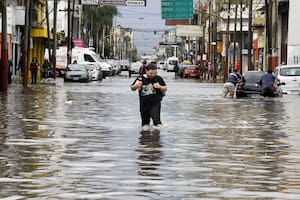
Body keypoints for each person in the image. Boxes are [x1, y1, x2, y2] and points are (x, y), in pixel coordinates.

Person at [131, 63, 167, 131]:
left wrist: (159, 87)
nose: (152, 75)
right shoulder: (140, 78)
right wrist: (136, 86)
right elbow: (132, 88)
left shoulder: (158, 78)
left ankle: (156, 137)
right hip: (144, 104)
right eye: (150, 73)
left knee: (156, 120)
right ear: (146, 71)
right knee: (145, 125)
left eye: (154, 73)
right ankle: (145, 139)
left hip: (155, 103)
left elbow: (165, 88)